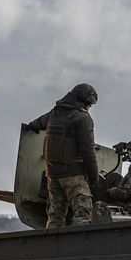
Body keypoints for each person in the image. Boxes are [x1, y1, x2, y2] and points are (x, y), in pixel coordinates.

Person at [27, 83, 99, 228]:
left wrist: (31, 126)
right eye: (87, 104)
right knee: (82, 213)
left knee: (55, 215)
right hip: (73, 174)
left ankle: (52, 246)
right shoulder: (83, 119)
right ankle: (80, 246)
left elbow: (37, 123)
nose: (88, 107)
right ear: (81, 101)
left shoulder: (54, 113)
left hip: (53, 175)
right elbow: (88, 150)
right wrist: (93, 177)